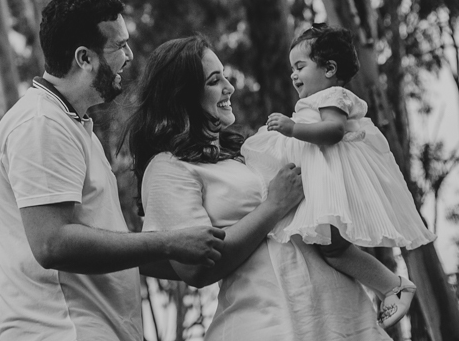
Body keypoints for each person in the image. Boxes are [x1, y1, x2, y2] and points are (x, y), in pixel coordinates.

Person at [0, 0, 227, 341]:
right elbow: (52, 243)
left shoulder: (72, 124)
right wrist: (168, 242)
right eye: (119, 46)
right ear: (84, 58)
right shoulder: (41, 123)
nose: (129, 56)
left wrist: (199, 258)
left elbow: (106, 249)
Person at [126, 34, 391, 341]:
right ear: (183, 95)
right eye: (214, 81)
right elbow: (195, 270)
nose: (229, 87)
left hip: (344, 314)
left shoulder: (250, 151)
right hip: (271, 322)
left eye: (225, 76)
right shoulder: (168, 167)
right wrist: (273, 206)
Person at [241, 24, 434, 328]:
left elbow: (333, 131)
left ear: (329, 69)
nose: (293, 75)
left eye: (300, 67)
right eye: (292, 68)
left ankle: (393, 286)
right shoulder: (319, 99)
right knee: (331, 249)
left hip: (330, 182)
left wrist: (292, 128)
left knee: (333, 249)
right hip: (319, 179)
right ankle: (386, 287)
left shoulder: (333, 96)